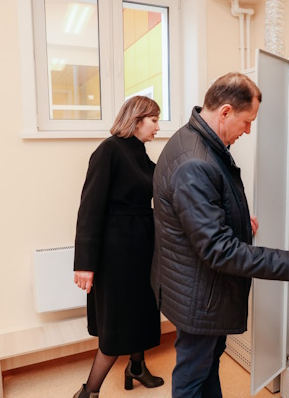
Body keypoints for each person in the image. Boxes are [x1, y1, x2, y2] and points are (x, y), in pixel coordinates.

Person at [151, 72, 289, 397]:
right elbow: (219, 250)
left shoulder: (192, 139)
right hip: (200, 297)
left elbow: (199, 214)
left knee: (205, 369)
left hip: (196, 289)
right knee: (192, 379)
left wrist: (235, 220)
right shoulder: (195, 162)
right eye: (247, 121)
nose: (248, 130)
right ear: (225, 111)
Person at [72, 96, 165, 398]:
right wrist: (84, 263)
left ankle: (136, 368)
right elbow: (89, 208)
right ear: (137, 120)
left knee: (141, 311)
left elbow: (167, 188)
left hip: (141, 248)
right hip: (115, 255)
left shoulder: (141, 154)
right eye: (154, 120)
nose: (158, 127)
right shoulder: (109, 150)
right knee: (116, 325)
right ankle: (89, 392)